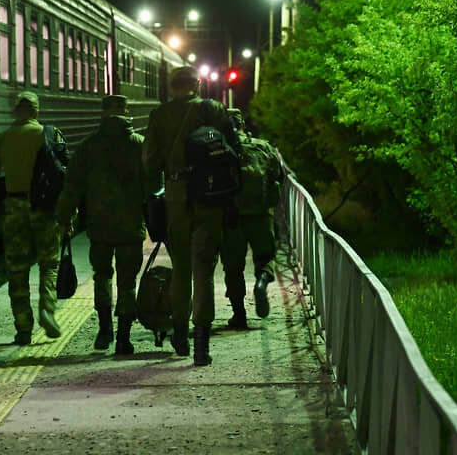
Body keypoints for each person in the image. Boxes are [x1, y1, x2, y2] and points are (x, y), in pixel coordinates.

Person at [142, 67, 241, 366]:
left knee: (181, 269)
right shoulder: (214, 110)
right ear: (197, 85)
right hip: (210, 197)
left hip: (175, 195)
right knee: (204, 270)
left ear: (172, 87)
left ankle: (180, 333)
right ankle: (201, 345)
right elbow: (234, 152)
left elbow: (148, 162)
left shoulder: (159, 116)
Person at [55, 95, 146, 355]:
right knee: (128, 282)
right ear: (127, 112)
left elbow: (72, 187)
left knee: (102, 277)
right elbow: (154, 186)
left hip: (99, 227)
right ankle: (124, 339)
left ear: (104, 113)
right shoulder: (139, 145)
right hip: (131, 227)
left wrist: (64, 219)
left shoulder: (88, 146)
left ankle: (105, 330)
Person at [0, 91, 67, 345]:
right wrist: (66, 214)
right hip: (44, 209)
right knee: (49, 263)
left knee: (17, 269)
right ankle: (47, 310)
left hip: (15, 208)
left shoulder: (2, 139)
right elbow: (63, 176)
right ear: (36, 111)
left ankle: (23, 328)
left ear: (15, 112)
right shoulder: (49, 135)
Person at [220, 109, 286, 328]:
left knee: (233, 266)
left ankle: (239, 315)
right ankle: (261, 283)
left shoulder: (219, 149)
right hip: (260, 215)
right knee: (266, 257)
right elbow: (279, 176)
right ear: (242, 125)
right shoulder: (263, 147)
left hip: (231, 217)